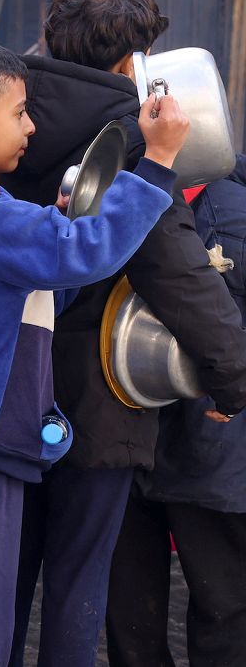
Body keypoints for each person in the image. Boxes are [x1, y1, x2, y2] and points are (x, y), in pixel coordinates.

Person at [0, 39, 188, 667]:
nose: (32, 126)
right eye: (20, 112)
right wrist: (157, 162)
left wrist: (58, 226)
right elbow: (84, 253)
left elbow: (50, 278)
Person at [0, 0, 246, 667]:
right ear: (133, 64)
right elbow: (180, 275)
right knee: (80, 591)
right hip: (96, 405)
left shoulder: (2, 107)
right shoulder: (132, 145)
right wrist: (234, 378)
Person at [105, 154, 246, 667]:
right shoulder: (221, 197)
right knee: (221, 613)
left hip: (140, 433)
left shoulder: (113, 181)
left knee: (136, 620)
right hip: (200, 445)